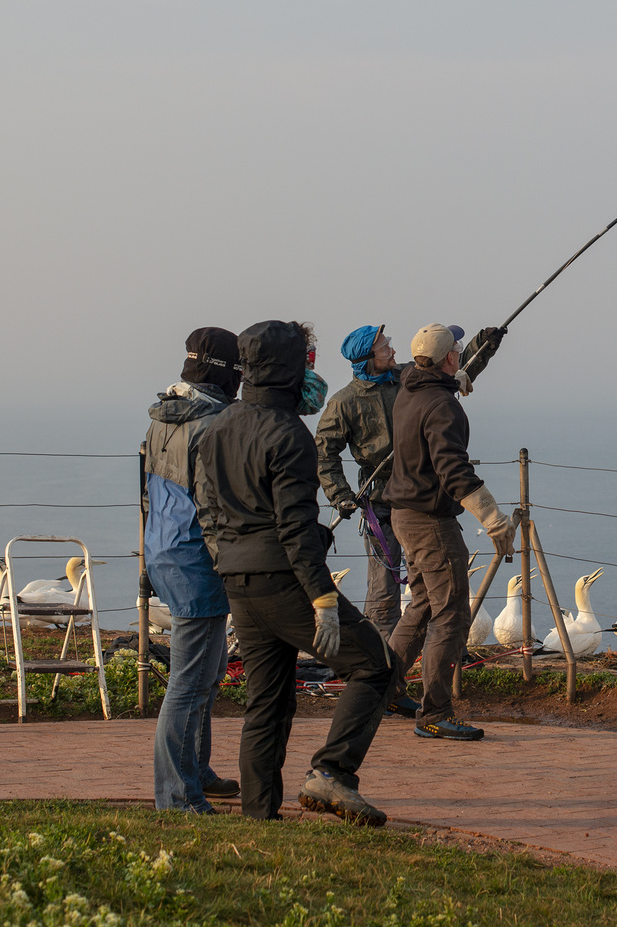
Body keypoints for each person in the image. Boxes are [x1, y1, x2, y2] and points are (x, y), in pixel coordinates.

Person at [193, 319, 398, 823]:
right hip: (287, 580)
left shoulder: (216, 427)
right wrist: (323, 600)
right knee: (375, 664)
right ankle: (332, 773)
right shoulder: (289, 434)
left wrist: (228, 562)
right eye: (307, 362)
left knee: (267, 701)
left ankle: (259, 814)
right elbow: (295, 528)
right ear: (290, 369)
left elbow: (208, 510)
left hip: (238, 581)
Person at [385, 323, 515, 741]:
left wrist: (465, 369)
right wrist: (493, 519)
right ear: (447, 358)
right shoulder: (442, 406)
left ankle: (382, 689)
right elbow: (454, 470)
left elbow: (440, 384)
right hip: (431, 522)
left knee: (421, 604)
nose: (459, 352)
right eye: (458, 348)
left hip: (403, 515)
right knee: (451, 613)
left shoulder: (410, 388)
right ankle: (435, 713)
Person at [144, 327, 242, 813]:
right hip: (198, 561)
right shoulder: (215, 425)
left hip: (164, 550)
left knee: (210, 669)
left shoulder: (161, 416)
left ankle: (196, 769)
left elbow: (149, 494)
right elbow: (215, 506)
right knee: (189, 681)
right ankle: (178, 795)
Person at [315, 325, 412, 644]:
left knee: (430, 581)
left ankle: (421, 650)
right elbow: (325, 452)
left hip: (419, 498)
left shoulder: (408, 379)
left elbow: (450, 369)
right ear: (369, 358)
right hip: (380, 502)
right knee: (383, 589)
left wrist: (484, 346)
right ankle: (383, 658)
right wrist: (340, 495)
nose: (393, 351)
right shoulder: (345, 402)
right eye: (385, 348)